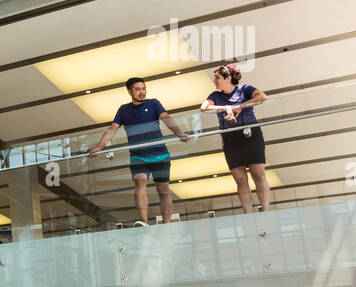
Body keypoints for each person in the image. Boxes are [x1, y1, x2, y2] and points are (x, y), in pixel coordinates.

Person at [88, 77, 190, 226]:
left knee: (163, 189)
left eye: (143, 88)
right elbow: (112, 129)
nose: (142, 92)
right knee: (140, 181)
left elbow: (166, 118)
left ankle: (167, 222)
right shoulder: (124, 110)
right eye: (137, 89)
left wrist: (179, 133)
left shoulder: (153, 103)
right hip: (138, 156)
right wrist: (99, 147)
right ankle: (143, 221)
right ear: (129, 91)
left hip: (160, 154)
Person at [200, 64, 270, 213]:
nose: (214, 80)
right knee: (240, 178)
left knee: (258, 173)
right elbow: (204, 107)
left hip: (251, 134)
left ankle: (266, 209)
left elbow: (262, 96)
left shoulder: (245, 89)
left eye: (217, 77)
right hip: (230, 137)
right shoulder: (215, 96)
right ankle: (248, 212)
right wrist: (225, 108)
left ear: (228, 78)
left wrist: (241, 106)